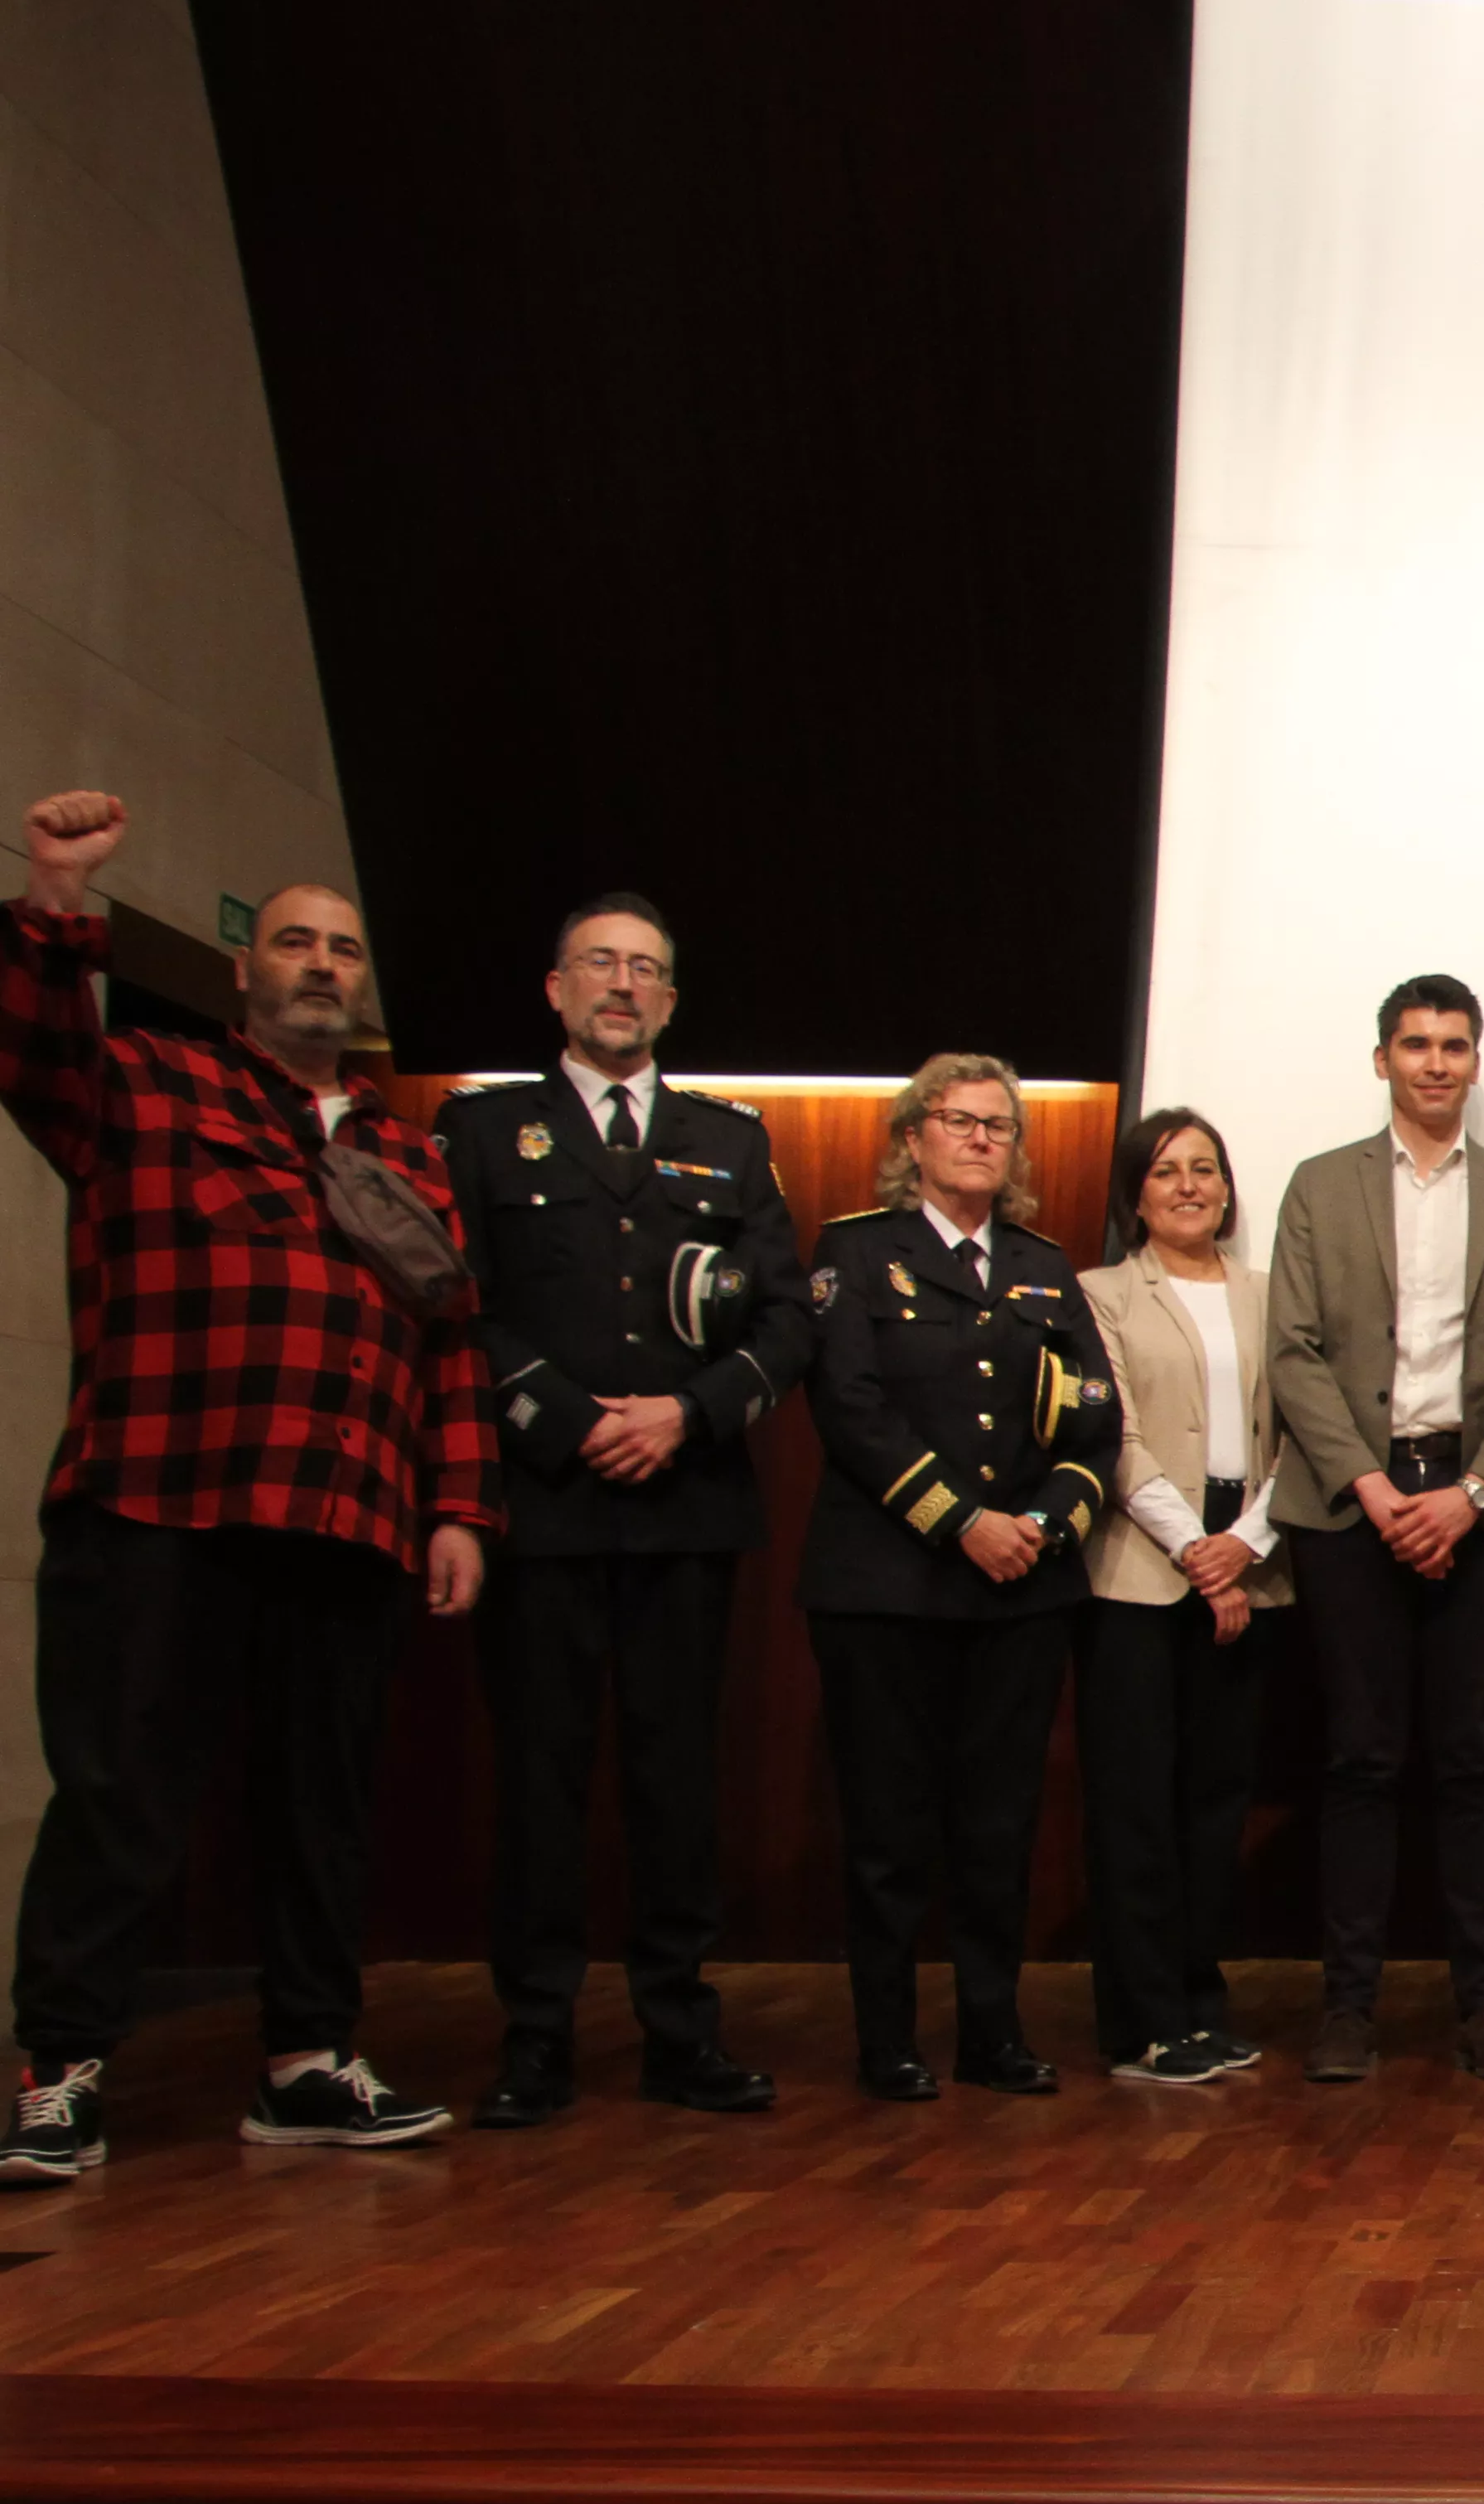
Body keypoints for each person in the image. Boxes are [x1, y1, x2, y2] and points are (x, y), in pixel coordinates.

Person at [0, 790, 491, 2185]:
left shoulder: (408, 1153)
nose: (321, 965)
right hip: (163, 1499)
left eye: (342, 949)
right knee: (121, 1793)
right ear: (244, 969)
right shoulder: (146, 1085)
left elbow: (453, 1340)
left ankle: (308, 2064)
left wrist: (459, 1506)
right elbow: (34, 1052)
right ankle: (58, 2074)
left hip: (350, 1516)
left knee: (322, 1805)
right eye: (294, 943)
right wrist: (57, 898)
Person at [435, 894, 808, 2129]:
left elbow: (786, 1320)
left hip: (685, 1507)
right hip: (545, 1505)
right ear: (556, 988)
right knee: (538, 1781)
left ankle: (681, 2033)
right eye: (599, 963)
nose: (622, 984)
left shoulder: (729, 1140)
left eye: (646, 969)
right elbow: (459, 1302)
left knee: (676, 1782)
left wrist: (686, 1416)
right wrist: (561, 1415)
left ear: (670, 1001)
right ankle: (535, 2038)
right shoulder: (483, 1129)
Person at [1265, 975, 1484, 2084]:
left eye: (1453, 1046)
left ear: (1475, 1062)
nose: (1435, 1062)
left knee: (1475, 1761)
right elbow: (1293, 1350)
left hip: (1481, 1508)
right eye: (1415, 1044)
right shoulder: (1320, 1184)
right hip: (1354, 1507)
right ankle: (1348, 2009)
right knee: (1360, 1759)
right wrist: (1369, 1485)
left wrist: (1472, 1493)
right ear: (1382, 1059)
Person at [798, 1058, 1119, 2099]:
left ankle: (993, 2034)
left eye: (999, 1126)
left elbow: (1094, 1418)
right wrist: (962, 1521)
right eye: (959, 1121)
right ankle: (888, 2040)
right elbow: (850, 1409)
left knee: (999, 1826)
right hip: (887, 1589)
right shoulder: (857, 1252)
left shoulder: (1043, 1266)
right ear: (912, 1139)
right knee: (888, 1827)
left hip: (1020, 1589)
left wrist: (1043, 1525)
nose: (981, 1139)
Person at [1076, 1107, 1287, 2085]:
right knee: (1136, 1803)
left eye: (1205, 1169)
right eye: (1166, 1172)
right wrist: (1198, 1552)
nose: (1190, 1186)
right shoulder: (1101, 1294)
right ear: (1136, 1194)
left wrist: (1243, 1547)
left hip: (1251, 1558)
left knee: (1216, 1802)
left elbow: (1302, 1433)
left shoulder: (1269, 1294)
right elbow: (1113, 1436)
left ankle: (1200, 2003)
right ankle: (1144, 2020)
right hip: (1139, 1570)